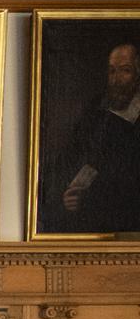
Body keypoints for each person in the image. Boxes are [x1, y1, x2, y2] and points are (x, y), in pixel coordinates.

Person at [52, 42, 140, 233]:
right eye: (111, 71)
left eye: (125, 71)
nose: (116, 79)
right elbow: (73, 157)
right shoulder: (96, 111)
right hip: (89, 215)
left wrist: (91, 196)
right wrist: (66, 194)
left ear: (138, 76)